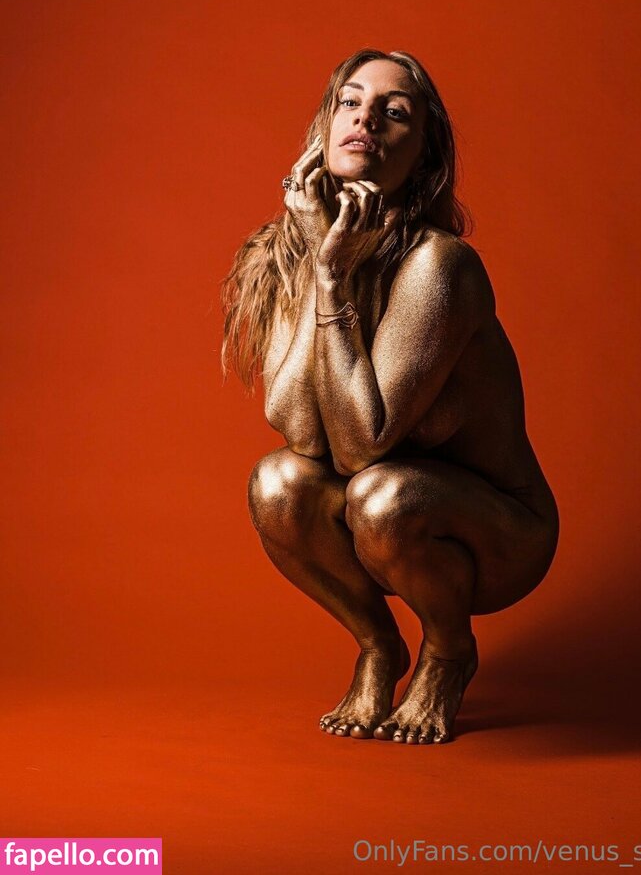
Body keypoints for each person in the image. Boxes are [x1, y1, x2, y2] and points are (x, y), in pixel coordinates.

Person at [220, 48, 559, 745]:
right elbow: (299, 431)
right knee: (277, 483)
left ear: (424, 156)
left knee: (382, 493)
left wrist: (334, 283)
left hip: (496, 536)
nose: (366, 118)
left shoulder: (440, 266)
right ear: (323, 129)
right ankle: (379, 646)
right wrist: (323, 267)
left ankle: (448, 650)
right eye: (350, 102)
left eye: (394, 111)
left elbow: (359, 447)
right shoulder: (290, 253)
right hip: (376, 513)